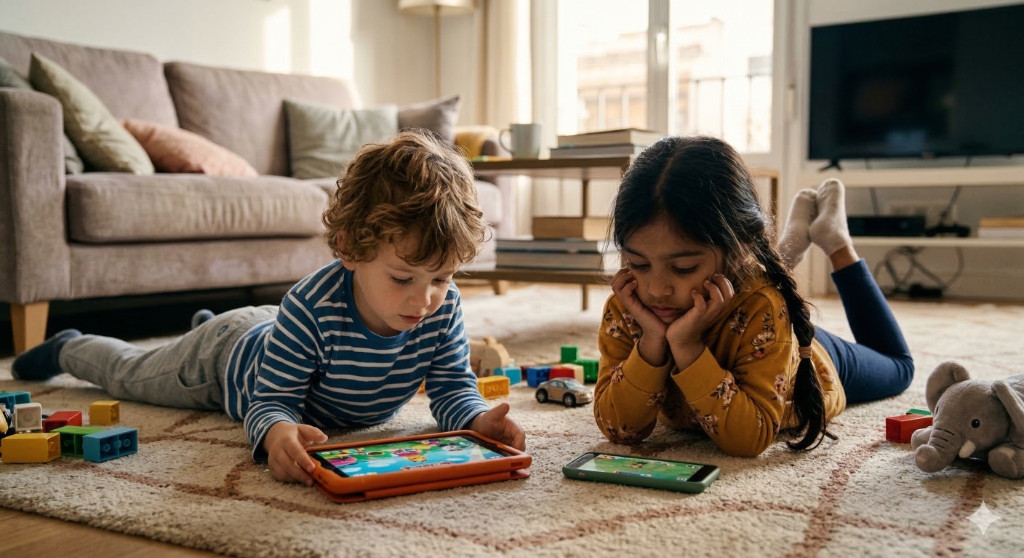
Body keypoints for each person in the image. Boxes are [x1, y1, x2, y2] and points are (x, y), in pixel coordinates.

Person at [13, 131, 526, 484]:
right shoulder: (313, 305)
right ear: (349, 249)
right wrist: (277, 431)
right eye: (402, 278)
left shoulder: (444, 307)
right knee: (130, 372)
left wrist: (478, 419)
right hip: (221, 363)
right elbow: (270, 401)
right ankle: (71, 346)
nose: (425, 298)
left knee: (265, 336)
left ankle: (205, 325)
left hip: (270, 331)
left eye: (441, 277)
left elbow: (453, 388)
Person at [594, 135, 913, 457]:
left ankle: (836, 241)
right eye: (638, 263)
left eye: (683, 267)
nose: (656, 290)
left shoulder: (765, 307)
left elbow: (749, 439)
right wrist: (651, 342)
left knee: (900, 369)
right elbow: (620, 430)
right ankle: (786, 251)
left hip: (804, 352)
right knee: (762, 288)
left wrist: (687, 346)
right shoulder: (630, 305)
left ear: (739, 250)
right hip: (759, 314)